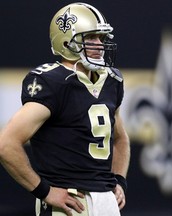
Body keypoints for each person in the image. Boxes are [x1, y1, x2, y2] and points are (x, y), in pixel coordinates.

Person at [0, 2, 130, 216]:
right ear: (67, 41)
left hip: (105, 199)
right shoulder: (54, 82)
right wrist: (44, 190)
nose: (99, 44)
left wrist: (119, 180)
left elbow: (120, 138)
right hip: (69, 201)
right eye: (91, 38)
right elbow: (6, 143)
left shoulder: (111, 80)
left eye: (101, 38)